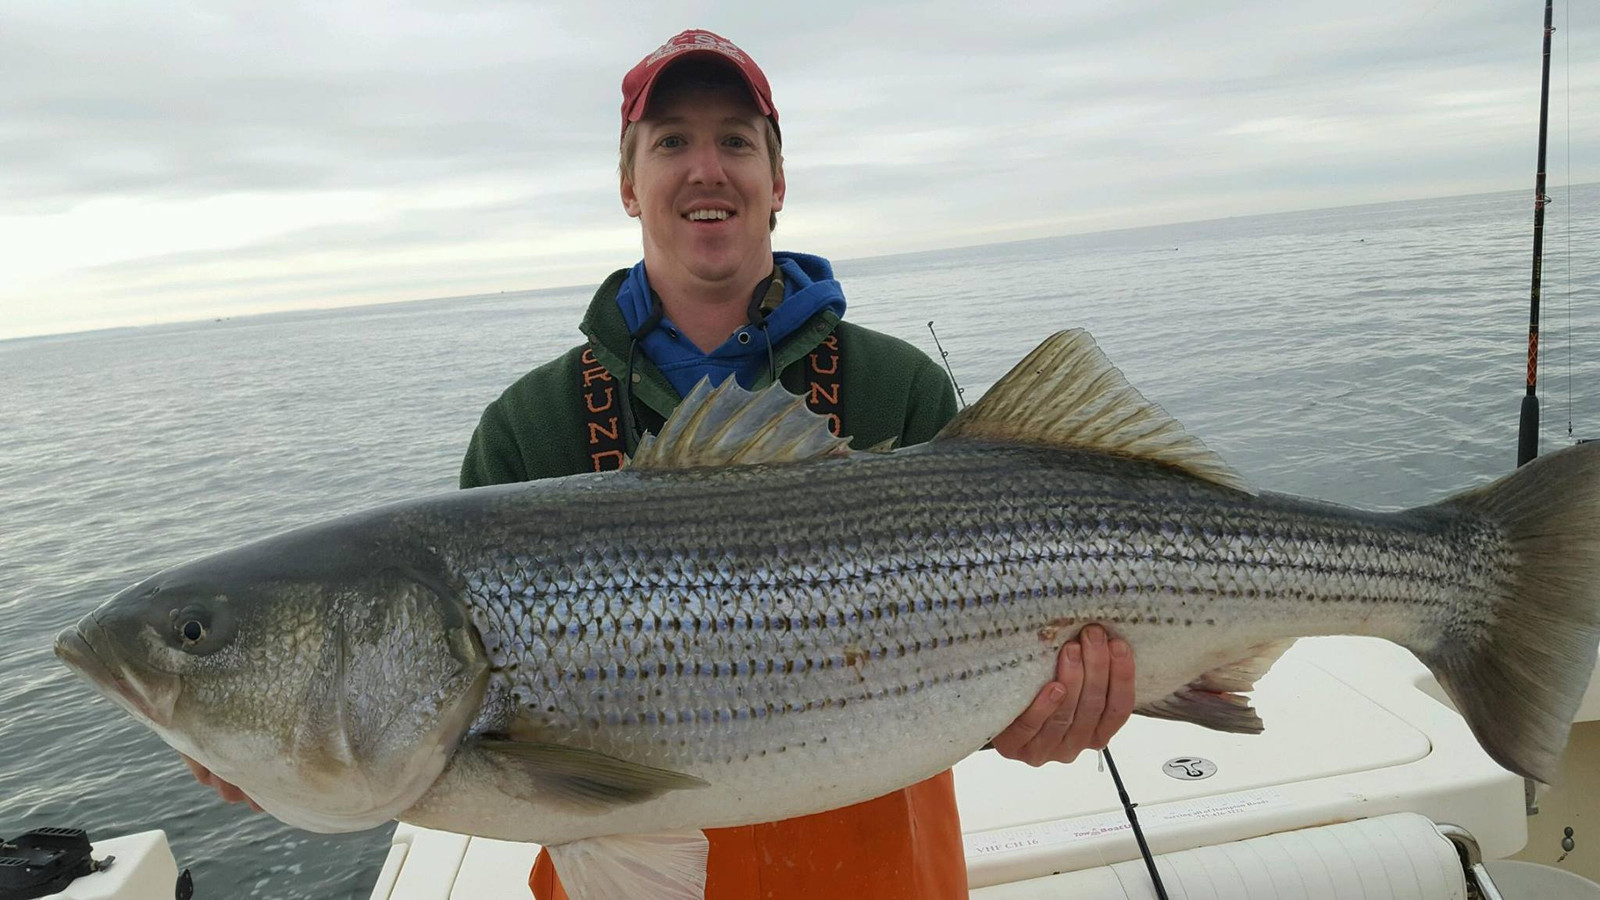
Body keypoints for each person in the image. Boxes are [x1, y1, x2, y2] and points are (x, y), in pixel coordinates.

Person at [185, 28, 1137, 899]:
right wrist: (278, 746)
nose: (705, 167)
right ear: (630, 183)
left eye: (736, 139)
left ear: (776, 176)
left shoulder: (897, 389)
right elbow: (440, 749)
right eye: (671, 141)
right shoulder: (530, 426)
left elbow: (991, 677)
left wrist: (1052, 714)